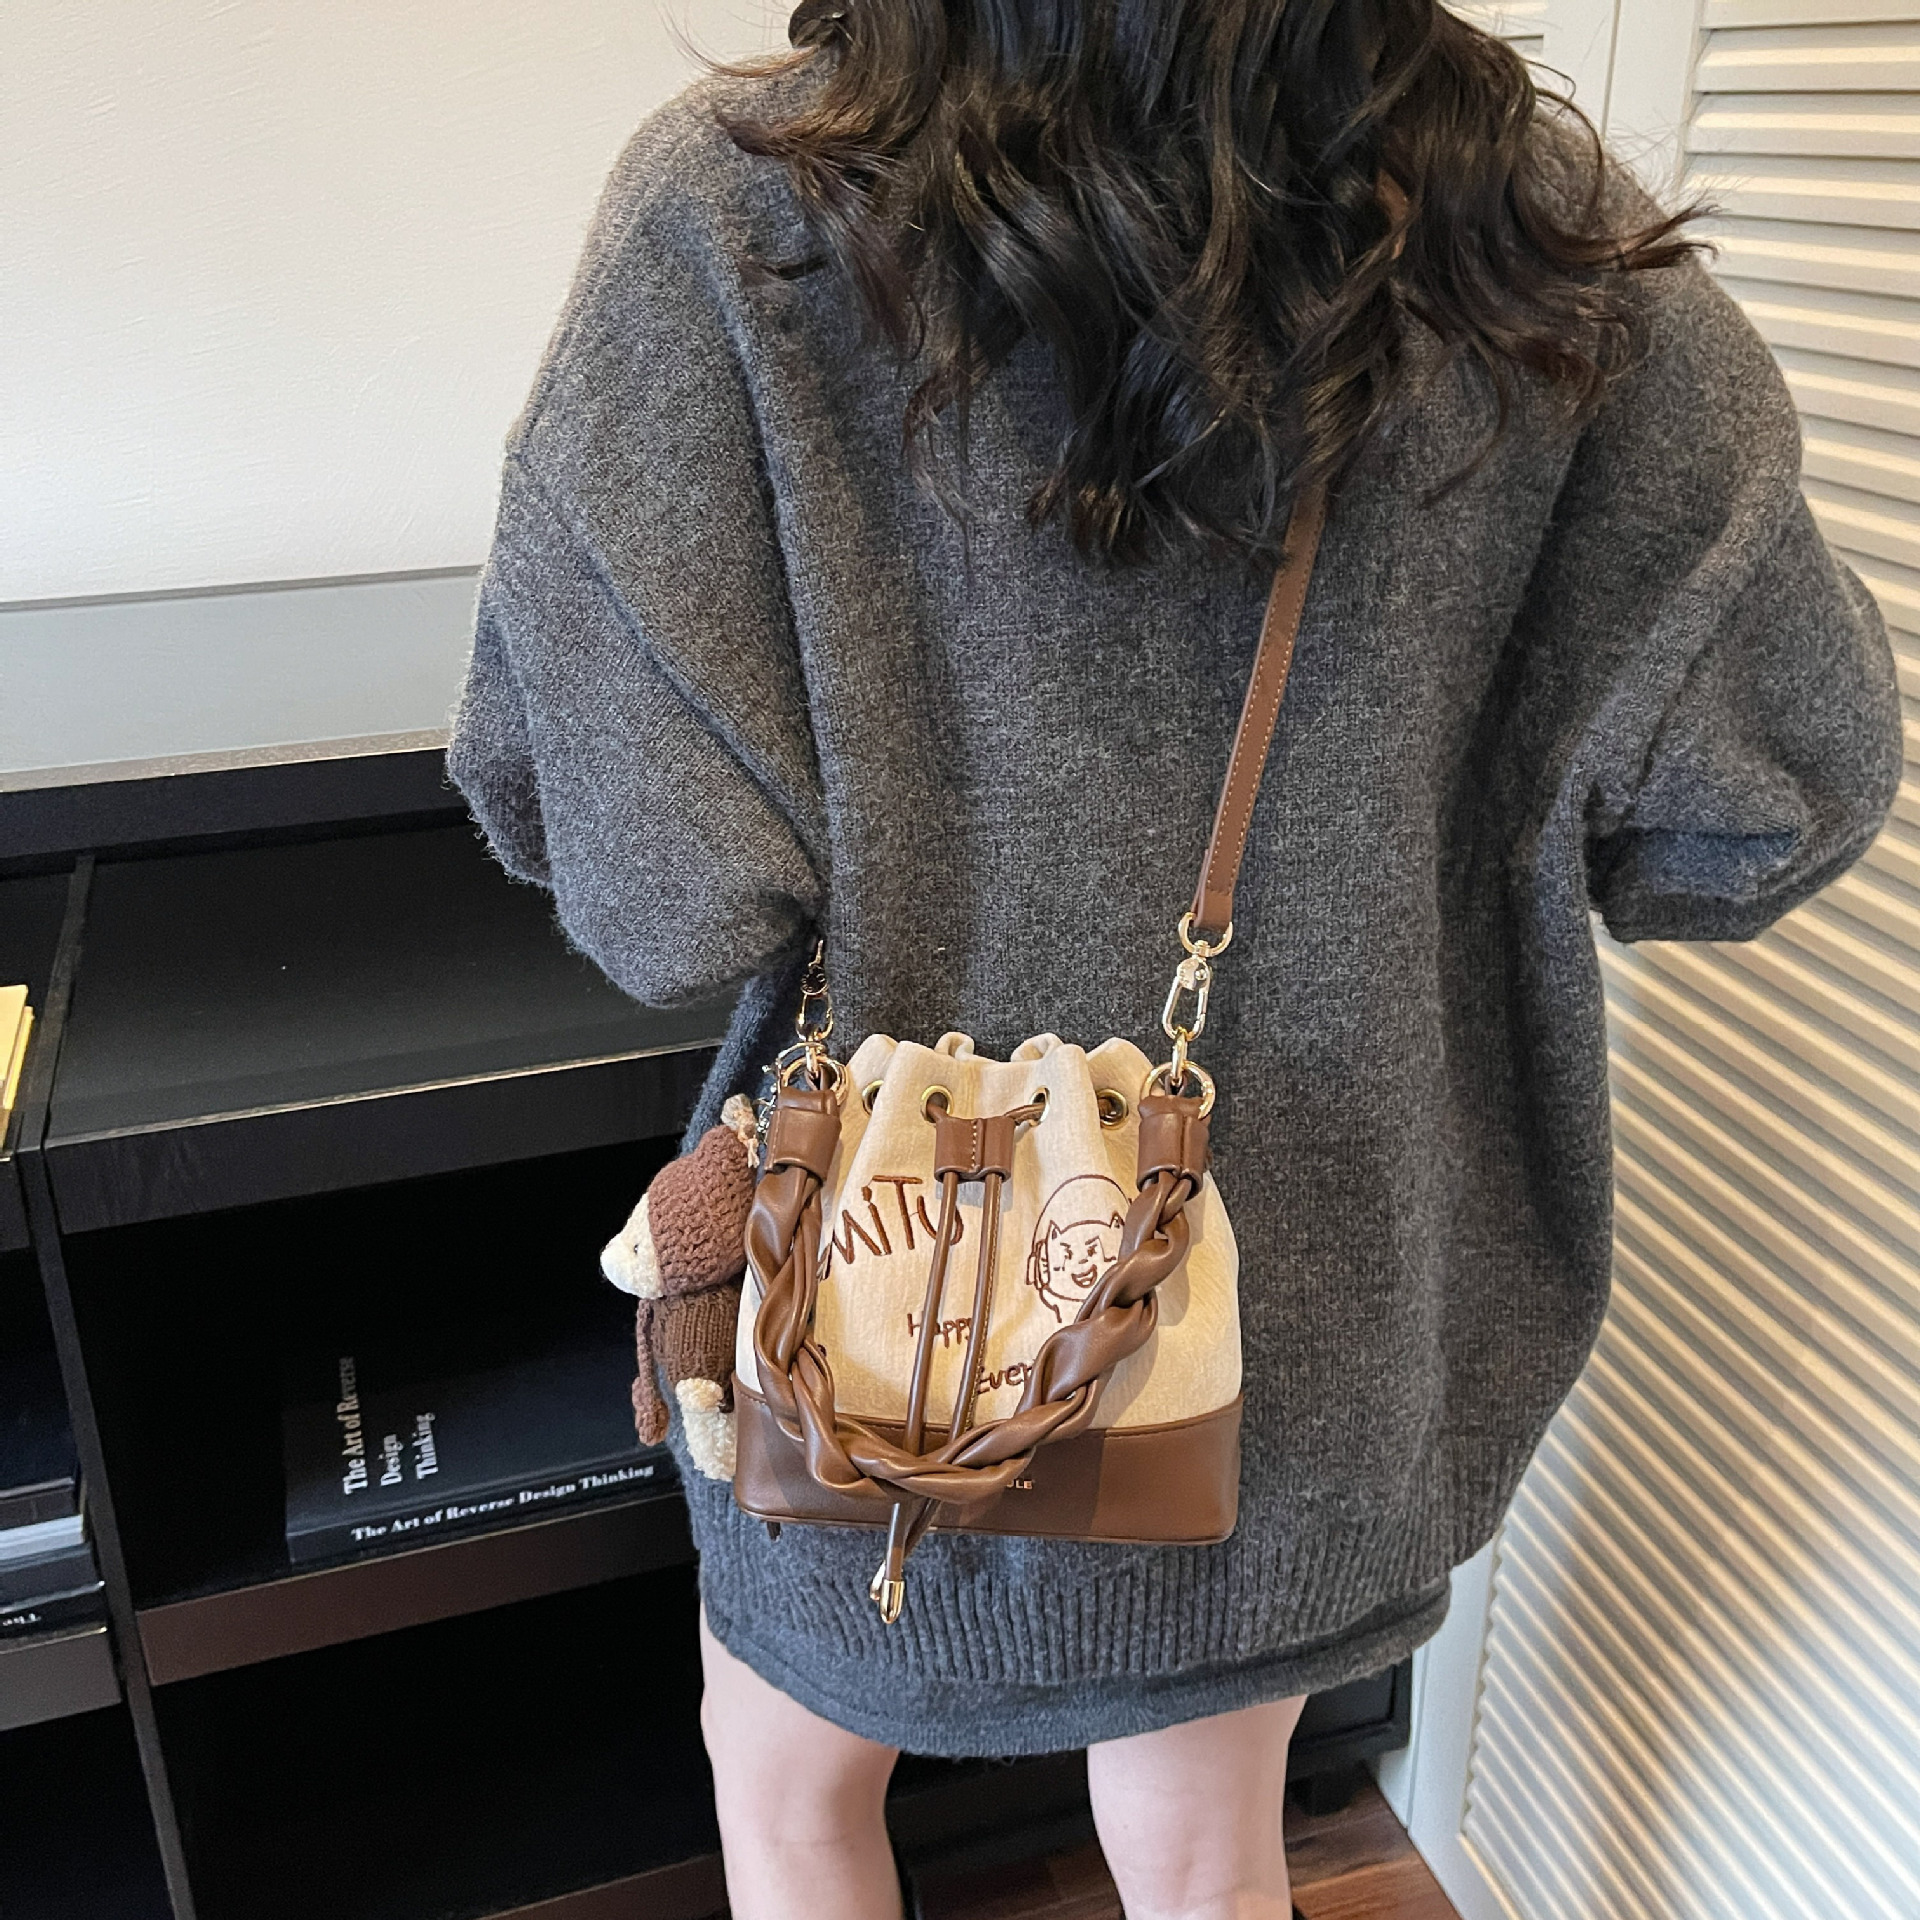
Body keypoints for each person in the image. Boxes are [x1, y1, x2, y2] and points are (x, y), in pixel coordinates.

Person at [448, 0, 1904, 1913]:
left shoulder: (742, 218)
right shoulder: (1525, 229)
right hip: (1310, 1319)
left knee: (789, 1794)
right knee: (1212, 1851)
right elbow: (1774, 802)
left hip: (868, 1308)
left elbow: (662, 902)